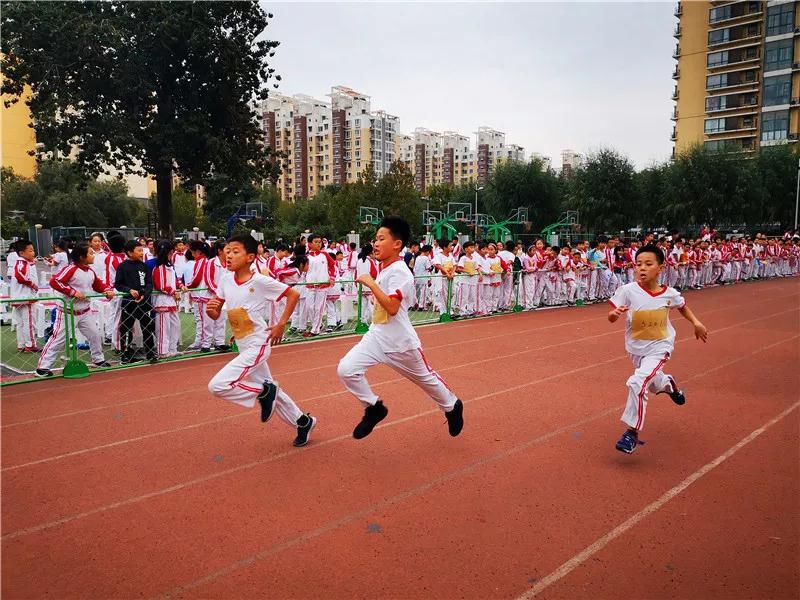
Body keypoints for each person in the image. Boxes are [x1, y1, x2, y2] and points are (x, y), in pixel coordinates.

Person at [337, 216, 464, 440]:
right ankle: (374, 408)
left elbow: (392, 307)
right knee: (346, 369)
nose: (375, 243)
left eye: (381, 238)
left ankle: (452, 405)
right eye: (375, 238)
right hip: (376, 336)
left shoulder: (401, 272)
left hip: (400, 342)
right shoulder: (384, 268)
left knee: (425, 379)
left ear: (397, 244)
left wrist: (370, 283)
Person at [206, 234, 317, 447]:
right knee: (272, 390)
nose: (228, 255)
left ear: (249, 257)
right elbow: (218, 311)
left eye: (235, 251)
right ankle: (303, 421)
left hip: (258, 342)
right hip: (242, 342)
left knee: (218, 385)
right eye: (227, 251)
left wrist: (281, 324)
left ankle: (263, 392)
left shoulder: (259, 281)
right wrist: (212, 311)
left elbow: (292, 294)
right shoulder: (226, 279)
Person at [607, 244, 707, 454]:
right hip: (636, 349)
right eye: (639, 264)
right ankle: (668, 384)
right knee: (652, 383)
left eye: (648, 264)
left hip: (660, 347)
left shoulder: (669, 294)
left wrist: (696, 323)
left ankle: (631, 433)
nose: (642, 268)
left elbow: (682, 307)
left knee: (638, 382)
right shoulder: (628, 291)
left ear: (660, 268)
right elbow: (611, 316)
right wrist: (614, 315)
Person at [37, 242, 115, 376]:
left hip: (85, 311)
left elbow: (98, 284)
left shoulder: (90, 271)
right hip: (68, 311)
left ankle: (98, 359)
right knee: (58, 339)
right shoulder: (71, 269)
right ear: (81, 257)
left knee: (95, 335)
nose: (93, 256)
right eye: (90, 253)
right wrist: (73, 292)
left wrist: (107, 289)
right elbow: (55, 281)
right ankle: (43, 367)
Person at [115, 239, 157, 364]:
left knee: (148, 327)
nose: (141, 253)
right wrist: (129, 290)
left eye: (141, 250)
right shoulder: (122, 266)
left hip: (144, 303)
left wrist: (145, 294)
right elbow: (118, 284)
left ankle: (150, 353)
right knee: (126, 329)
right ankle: (125, 354)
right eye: (138, 250)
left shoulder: (144, 266)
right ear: (129, 252)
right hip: (129, 302)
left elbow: (149, 283)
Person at [152, 240, 181, 358]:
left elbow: (173, 280)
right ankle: (162, 350)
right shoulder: (159, 267)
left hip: (170, 300)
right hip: (163, 300)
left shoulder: (169, 266)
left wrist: (179, 286)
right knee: (163, 327)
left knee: (175, 324)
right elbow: (161, 285)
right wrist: (174, 292)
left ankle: (172, 348)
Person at [10, 240, 40, 352]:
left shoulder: (24, 263)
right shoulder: (22, 263)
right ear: (22, 253)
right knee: (29, 322)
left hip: (19, 297)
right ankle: (30, 344)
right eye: (31, 250)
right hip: (25, 297)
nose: (33, 252)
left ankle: (22, 344)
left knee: (21, 323)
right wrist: (32, 285)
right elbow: (20, 276)